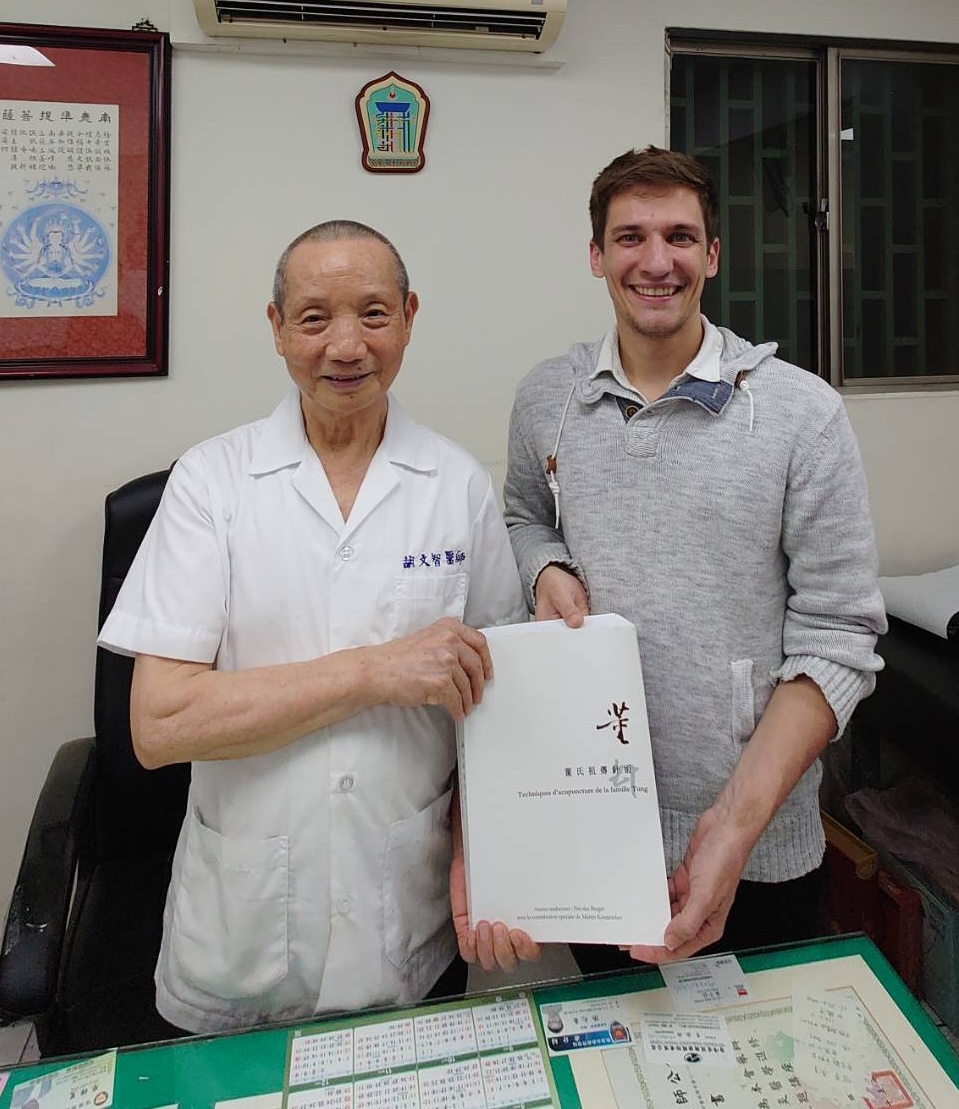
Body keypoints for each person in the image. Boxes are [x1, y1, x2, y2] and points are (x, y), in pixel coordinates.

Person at [98, 219, 534, 1034]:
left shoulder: (456, 483)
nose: (346, 345)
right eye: (313, 318)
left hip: (412, 918)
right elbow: (158, 725)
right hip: (242, 927)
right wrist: (371, 672)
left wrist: (488, 864)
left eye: (373, 314)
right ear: (276, 329)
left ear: (408, 316)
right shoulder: (211, 484)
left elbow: (496, 710)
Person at [503, 147, 887, 970]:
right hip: (594, 823)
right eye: (629, 236)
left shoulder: (800, 413)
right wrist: (544, 567)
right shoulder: (547, 398)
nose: (654, 260)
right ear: (595, 254)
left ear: (712, 255)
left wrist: (731, 827)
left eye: (679, 236)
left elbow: (839, 636)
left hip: (757, 841)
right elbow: (522, 515)